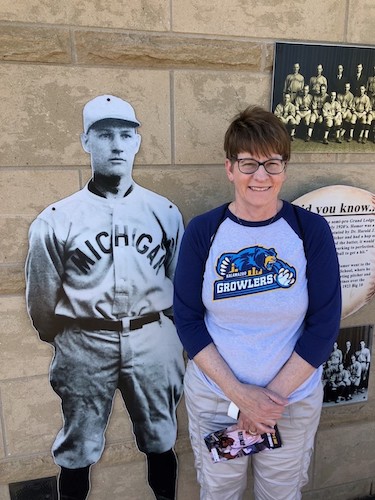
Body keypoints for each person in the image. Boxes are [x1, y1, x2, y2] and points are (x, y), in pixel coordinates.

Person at [173, 106, 342, 500]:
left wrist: (267, 403)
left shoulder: (309, 231)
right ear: (230, 167)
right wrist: (241, 396)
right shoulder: (204, 231)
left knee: (280, 494)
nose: (261, 176)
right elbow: (187, 320)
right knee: (219, 493)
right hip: (216, 400)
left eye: (272, 163)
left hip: (291, 403)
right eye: (248, 163)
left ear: (285, 168)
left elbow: (323, 325)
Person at [25, 95, 185, 500]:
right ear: (85, 141)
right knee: (77, 448)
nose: (116, 145)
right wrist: (68, 338)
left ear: (137, 142)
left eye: (125, 135)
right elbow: (42, 302)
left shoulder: (164, 211)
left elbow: (178, 285)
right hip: (84, 341)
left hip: (153, 338)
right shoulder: (57, 218)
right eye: (105, 135)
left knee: (161, 438)